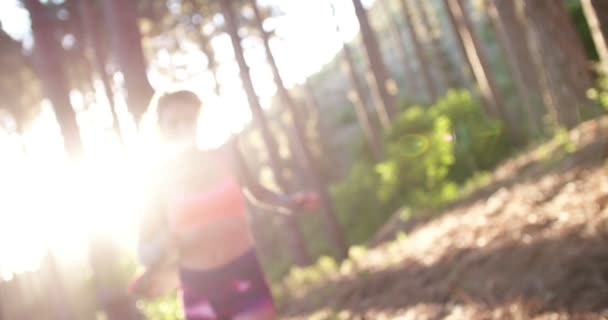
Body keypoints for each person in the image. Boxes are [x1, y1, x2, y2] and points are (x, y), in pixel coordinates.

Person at [130, 90, 319, 320]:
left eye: (188, 119)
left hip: (245, 274)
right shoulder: (156, 181)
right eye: (173, 123)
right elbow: (143, 249)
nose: (182, 128)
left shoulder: (227, 156)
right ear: (161, 129)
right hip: (196, 286)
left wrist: (291, 202)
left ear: (200, 119)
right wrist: (163, 246)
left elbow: (257, 192)